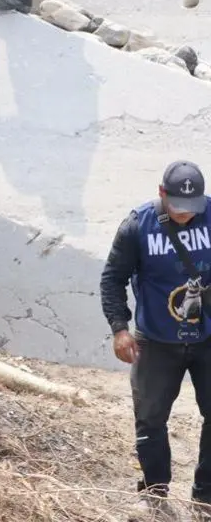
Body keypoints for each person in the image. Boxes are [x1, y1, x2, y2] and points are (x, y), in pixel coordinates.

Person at [100, 161, 211, 522]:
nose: (185, 214)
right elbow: (112, 278)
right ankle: (154, 491)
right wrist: (120, 328)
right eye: (178, 205)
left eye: (192, 208)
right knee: (150, 419)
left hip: (208, 337)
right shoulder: (138, 226)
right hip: (156, 340)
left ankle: (205, 496)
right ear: (162, 193)